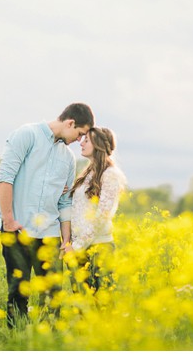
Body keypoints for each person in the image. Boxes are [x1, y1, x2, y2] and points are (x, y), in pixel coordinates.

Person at [0, 102, 94, 328]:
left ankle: (47, 342)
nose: (80, 140)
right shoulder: (26, 135)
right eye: (80, 134)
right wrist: (9, 220)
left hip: (49, 233)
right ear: (70, 123)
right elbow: (4, 177)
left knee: (53, 295)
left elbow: (64, 201)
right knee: (19, 292)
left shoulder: (68, 158)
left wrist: (66, 240)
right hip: (17, 228)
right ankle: (18, 341)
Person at [63, 126, 126, 294]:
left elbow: (101, 217)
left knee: (101, 305)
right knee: (82, 305)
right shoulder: (88, 172)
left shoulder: (110, 174)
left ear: (98, 144)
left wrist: (76, 247)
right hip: (79, 247)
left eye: (87, 140)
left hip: (99, 248)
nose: (81, 143)